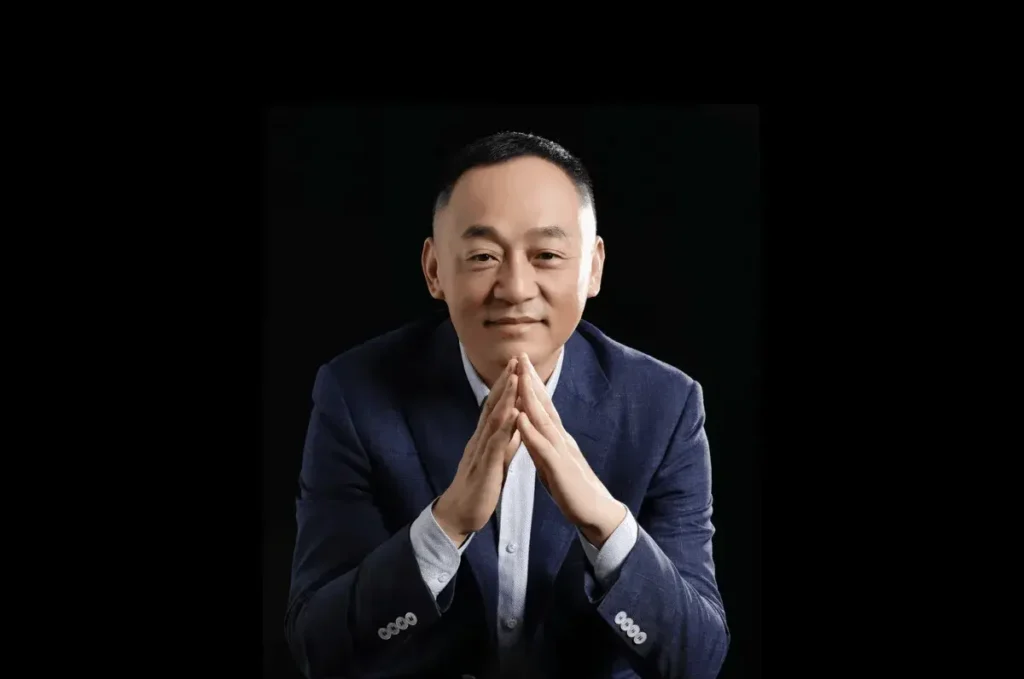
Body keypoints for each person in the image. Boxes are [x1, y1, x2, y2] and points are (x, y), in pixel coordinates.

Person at [284, 131, 729, 679]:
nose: (515, 288)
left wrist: (605, 523)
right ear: (434, 270)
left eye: (547, 255)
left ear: (592, 267)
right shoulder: (355, 393)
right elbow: (316, 646)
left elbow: (699, 659)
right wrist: (446, 525)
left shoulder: (665, 406)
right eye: (482, 256)